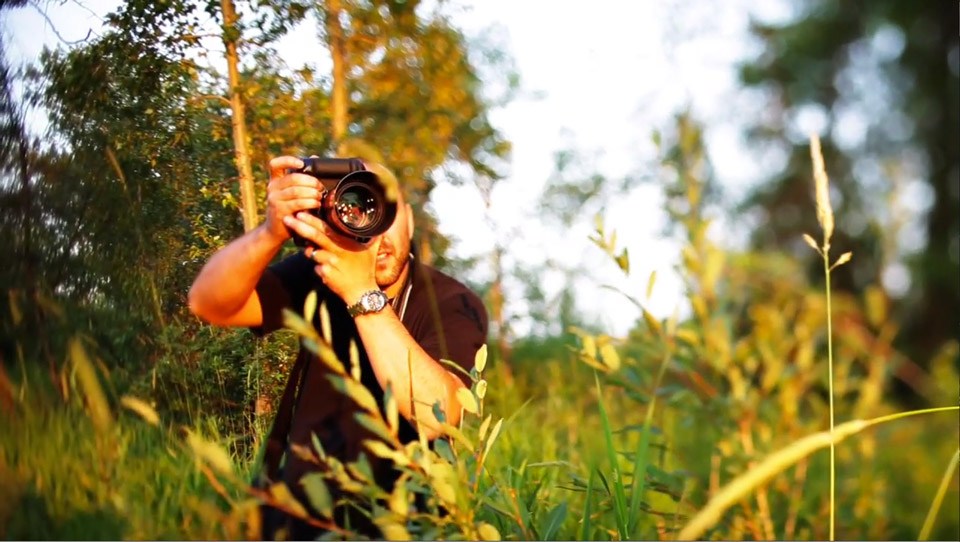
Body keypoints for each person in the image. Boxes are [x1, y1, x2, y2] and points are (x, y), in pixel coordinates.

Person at [187, 155, 489, 539]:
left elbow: (442, 416)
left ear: (409, 218)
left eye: (384, 210)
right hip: (301, 518)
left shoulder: (451, 301)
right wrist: (269, 233)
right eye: (357, 208)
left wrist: (361, 292)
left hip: (406, 524)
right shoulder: (320, 272)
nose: (374, 234)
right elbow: (208, 303)